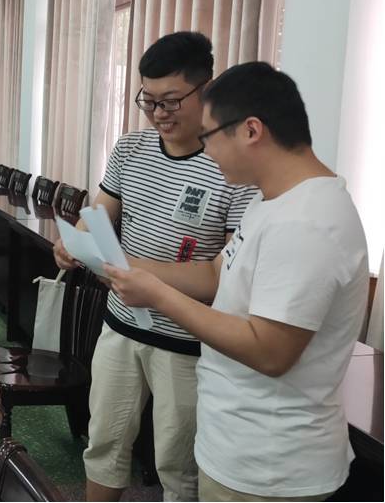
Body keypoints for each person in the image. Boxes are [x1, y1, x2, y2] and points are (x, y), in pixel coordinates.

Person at [105, 62, 368, 501]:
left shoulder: (307, 221)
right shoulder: (272, 201)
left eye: (209, 136)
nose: (206, 152)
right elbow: (216, 273)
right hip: (239, 443)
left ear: (250, 130)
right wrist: (133, 268)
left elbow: (270, 350)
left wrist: (158, 296)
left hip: (269, 466)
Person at [53, 32, 257, 502]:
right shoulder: (131, 149)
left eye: (171, 101)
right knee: (104, 443)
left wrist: (133, 268)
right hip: (120, 326)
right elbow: (98, 214)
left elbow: (223, 277)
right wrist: (74, 245)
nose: (159, 113)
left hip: (186, 343)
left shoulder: (231, 167)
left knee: (177, 465)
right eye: (149, 101)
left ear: (206, 89)